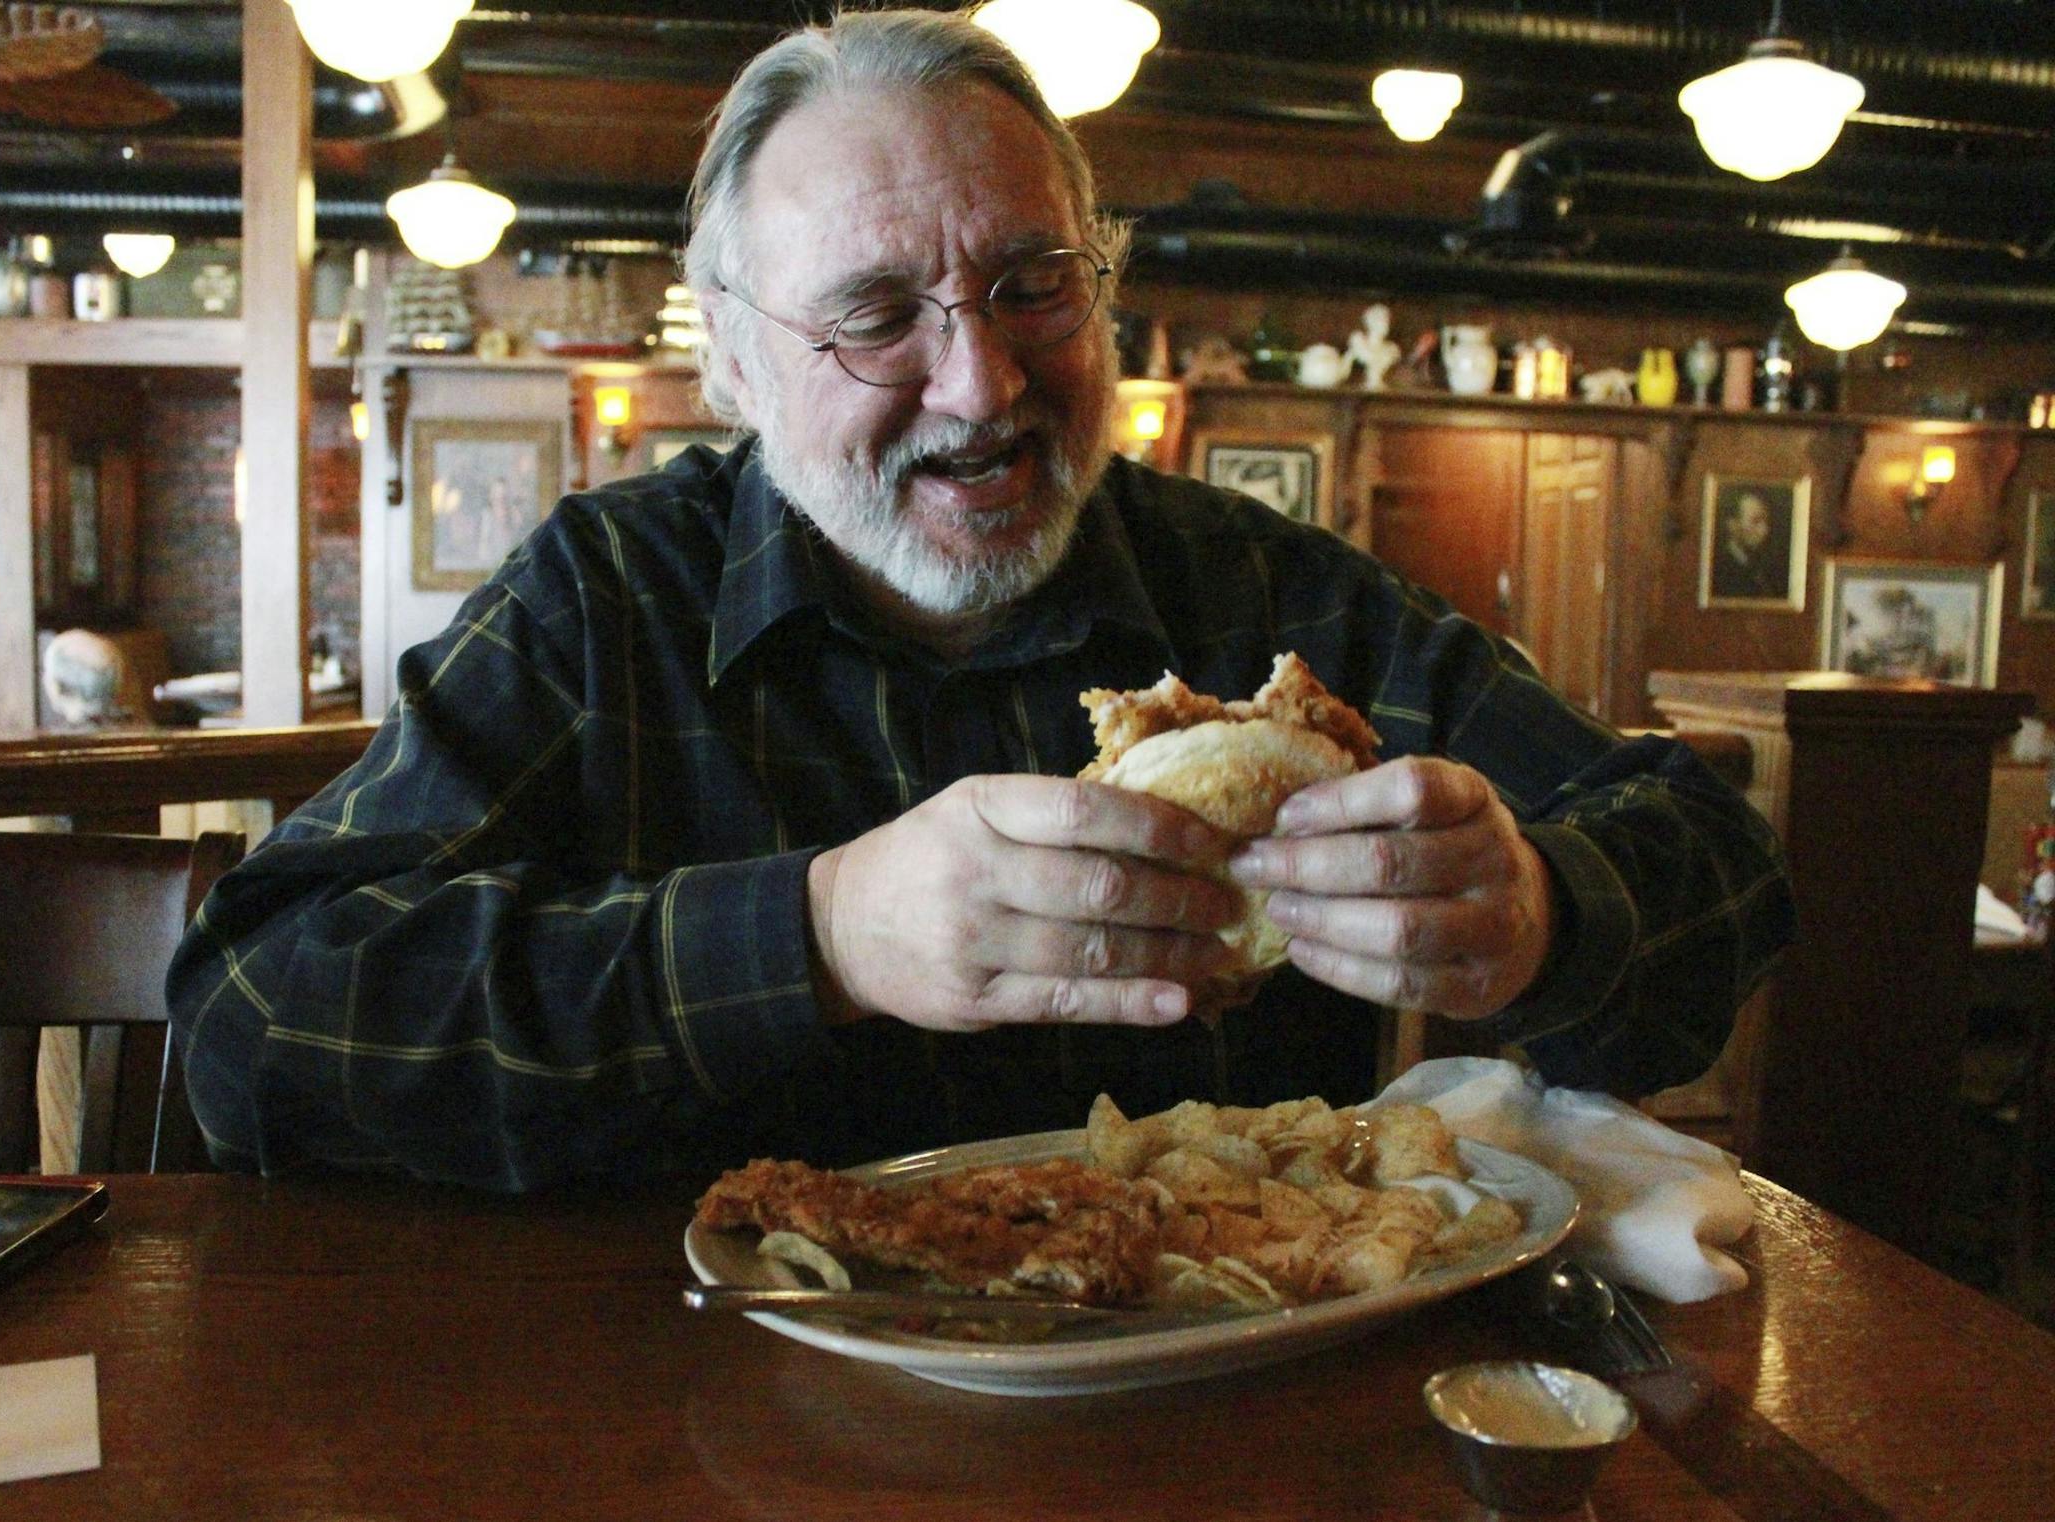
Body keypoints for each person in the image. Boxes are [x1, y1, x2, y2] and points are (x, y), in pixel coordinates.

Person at [168, 9, 1793, 1192]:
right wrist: (819, 937)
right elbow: (255, 1019)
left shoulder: (1264, 606)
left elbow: (1719, 868)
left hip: (1214, 1408)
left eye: (1034, 286)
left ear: (1106, 284)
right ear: (730, 359)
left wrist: (1538, 911)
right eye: (878, 315)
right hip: (704, 1427)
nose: (983, 381)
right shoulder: (604, 604)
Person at [1708, 489, 1789, 602]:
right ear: (1733, 525)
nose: (1765, 530)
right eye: (1756, 521)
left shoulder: (1766, 568)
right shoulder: (1719, 572)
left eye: (1766, 521)